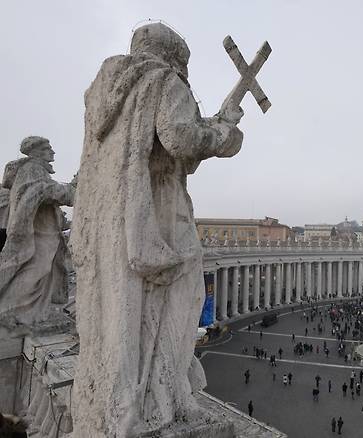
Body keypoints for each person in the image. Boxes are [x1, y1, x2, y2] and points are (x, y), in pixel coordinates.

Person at [70, 22, 244, 437]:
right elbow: (180, 139)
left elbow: (166, 148)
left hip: (113, 217)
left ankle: (122, 404)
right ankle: (163, 398)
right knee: (181, 300)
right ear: (175, 57)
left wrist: (216, 120)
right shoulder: (163, 80)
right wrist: (223, 133)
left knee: (120, 312)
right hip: (160, 210)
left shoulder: (107, 92)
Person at [0, 137, 75, 325]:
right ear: (35, 151)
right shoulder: (32, 168)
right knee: (35, 270)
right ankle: (12, 310)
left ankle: (31, 311)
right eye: (48, 148)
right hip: (37, 234)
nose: (53, 153)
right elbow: (44, 191)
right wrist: (73, 189)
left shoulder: (35, 169)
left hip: (42, 232)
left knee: (40, 271)